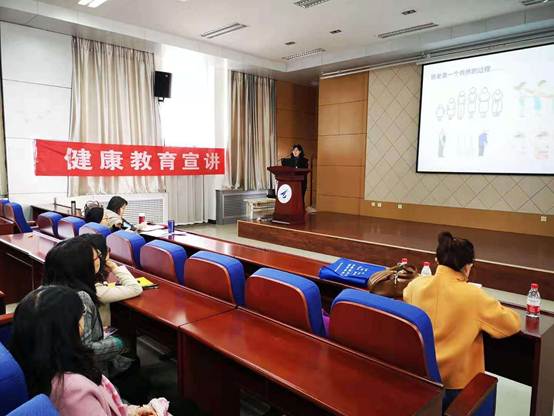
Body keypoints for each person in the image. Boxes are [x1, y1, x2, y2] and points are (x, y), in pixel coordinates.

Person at [403, 231, 520, 409]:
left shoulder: (415, 285)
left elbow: (406, 296)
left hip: (423, 379)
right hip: (456, 386)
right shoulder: (473, 296)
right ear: (467, 267)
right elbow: (511, 324)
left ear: (437, 261)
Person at [9, 286, 158, 416]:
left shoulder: (37, 366)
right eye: (81, 314)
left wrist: (131, 411)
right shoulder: (73, 390)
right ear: (67, 327)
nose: (83, 318)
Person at [78, 233, 143, 326]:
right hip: (101, 332)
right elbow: (135, 288)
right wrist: (114, 267)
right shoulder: (97, 290)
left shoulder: (78, 276)